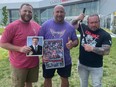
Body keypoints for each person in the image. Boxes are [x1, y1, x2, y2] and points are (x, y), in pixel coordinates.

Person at [0, 3, 41, 87]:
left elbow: (42, 40)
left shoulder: (36, 25)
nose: (27, 13)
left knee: (29, 83)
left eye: (29, 11)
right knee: (18, 85)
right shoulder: (12, 26)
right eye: (25, 11)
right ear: (19, 12)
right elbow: (2, 43)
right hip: (19, 65)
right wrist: (20, 49)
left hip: (33, 63)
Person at [39, 5, 79, 87]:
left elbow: (76, 41)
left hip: (65, 59)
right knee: (47, 78)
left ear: (65, 13)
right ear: (53, 13)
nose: (59, 14)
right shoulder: (45, 25)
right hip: (48, 59)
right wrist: (42, 55)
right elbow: (39, 41)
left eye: (61, 12)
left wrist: (72, 44)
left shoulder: (70, 27)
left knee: (64, 78)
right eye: (57, 12)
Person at [72, 14, 112, 87]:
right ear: (88, 23)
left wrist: (92, 49)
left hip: (96, 67)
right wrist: (78, 18)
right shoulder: (83, 28)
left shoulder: (105, 35)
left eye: (96, 22)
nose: (94, 24)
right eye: (91, 22)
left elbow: (106, 50)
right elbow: (72, 24)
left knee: (97, 85)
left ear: (99, 22)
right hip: (82, 64)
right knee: (83, 84)